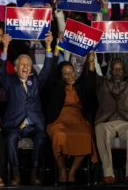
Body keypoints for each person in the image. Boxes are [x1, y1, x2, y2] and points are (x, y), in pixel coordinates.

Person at [0, 33, 54, 185]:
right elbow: (1, 71)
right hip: (14, 125)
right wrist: (5, 47)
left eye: (28, 65)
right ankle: (15, 172)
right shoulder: (9, 82)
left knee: (41, 137)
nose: (25, 67)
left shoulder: (36, 81)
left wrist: (48, 45)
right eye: (22, 65)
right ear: (16, 68)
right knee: (10, 138)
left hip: (33, 125)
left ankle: (34, 171)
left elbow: (48, 69)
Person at [46, 50, 98, 184]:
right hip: (59, 120)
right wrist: (56, 52)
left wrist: (91, 61)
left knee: (86, 135)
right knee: (59, 135)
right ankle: (62, 169)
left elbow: (91, 79)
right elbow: (51, 73)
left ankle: (73, 171)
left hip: (78, 120)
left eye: (72, 71)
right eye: (66, 73)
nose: (70, 75)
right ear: (61, 76)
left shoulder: (80, 86)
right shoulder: (56, 86)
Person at [92, 57, 128, 185]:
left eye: (120, 69)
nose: (117, 72)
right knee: (99, 128)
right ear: (110, 71)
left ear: (124, 71)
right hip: (107, 122)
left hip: (126, 121)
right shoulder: (102, 82)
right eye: (115, 69)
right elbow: (91, 73)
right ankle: (108, 174)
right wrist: (91, 60)